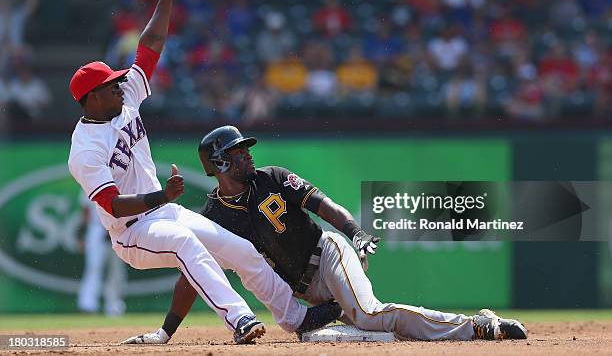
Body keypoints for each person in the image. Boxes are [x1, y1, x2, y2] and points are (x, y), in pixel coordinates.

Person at [68, 0, 338, 345]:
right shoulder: (84, 149)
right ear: (89, 99)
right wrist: (164, 197)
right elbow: (113, 205)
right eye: (111, 84)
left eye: (119, 80)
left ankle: (297, 318)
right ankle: (241, 321)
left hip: (161, 212)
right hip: (132, 233)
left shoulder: (124, 103)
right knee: (184, 245)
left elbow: (151, 45)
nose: (121, 84)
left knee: (242, 250)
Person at [124, 125, 528, 343]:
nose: (248, 154)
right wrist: (167, 331)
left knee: (367, 314)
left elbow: (322, 205)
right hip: (305, 294)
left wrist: (354, 231)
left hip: (328, 253)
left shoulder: (273, 177)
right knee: (321, 336)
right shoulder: (214, 214)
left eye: (246, 148)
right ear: (218, 162)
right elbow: (193, 272)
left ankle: (475, 326)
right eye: (238, 151)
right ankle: (381, 329)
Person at [77, 192, 126, 316]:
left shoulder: (122, 180)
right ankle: (88, 304)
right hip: (96, 229)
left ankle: (113, 306)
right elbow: (85, 211)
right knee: (94, 268)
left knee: (116, 271)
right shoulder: (91, 177)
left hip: (118, 229)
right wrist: (81, 233)